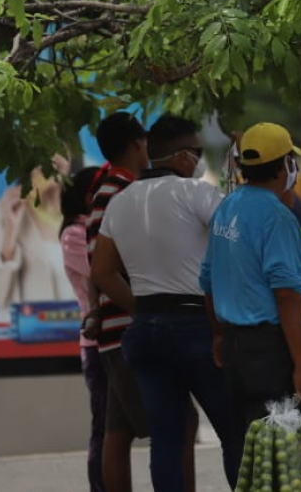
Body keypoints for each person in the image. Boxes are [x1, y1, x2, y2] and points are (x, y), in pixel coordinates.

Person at [92, 115, 237, 492]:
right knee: (234, 429)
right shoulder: (196, 194)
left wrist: (140, 308)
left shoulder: (119, 203)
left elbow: (102, 271)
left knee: (167, 439)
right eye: (199, 152)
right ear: (183, 156)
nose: (201, 160)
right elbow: (236, 240)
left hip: (145, 333)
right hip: (196, 328)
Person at [200, 122, 301, 473]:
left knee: (243, 441)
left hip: (235, 343)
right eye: (291, 162)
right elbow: (287, 297)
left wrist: (219, 333)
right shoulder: (278, 217)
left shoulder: (227, 207)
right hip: (269, 349)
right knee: (277, 448)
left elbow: (207, 279)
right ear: (284, 167)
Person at [83, 112, 153, 492]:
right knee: (173, 423)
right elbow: (106, 268)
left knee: (118, 430)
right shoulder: (122, 192)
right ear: (136, 144)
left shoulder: (105, 189)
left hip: (112, 328)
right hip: (125, 326)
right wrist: (144, 311)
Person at [0, 154, 73, 322]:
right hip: (26, 342)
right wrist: (10, 232)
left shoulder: (83, 212)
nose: (53, 156)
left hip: (80, 341)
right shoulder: (1, 213)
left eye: (60, 143)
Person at [61, 166, 106, 492]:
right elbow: (104, 271)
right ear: (91, 197)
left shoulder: (100, 229)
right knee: (105, 428)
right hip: (98, 346)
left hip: (118, 339)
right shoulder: (75, 236)